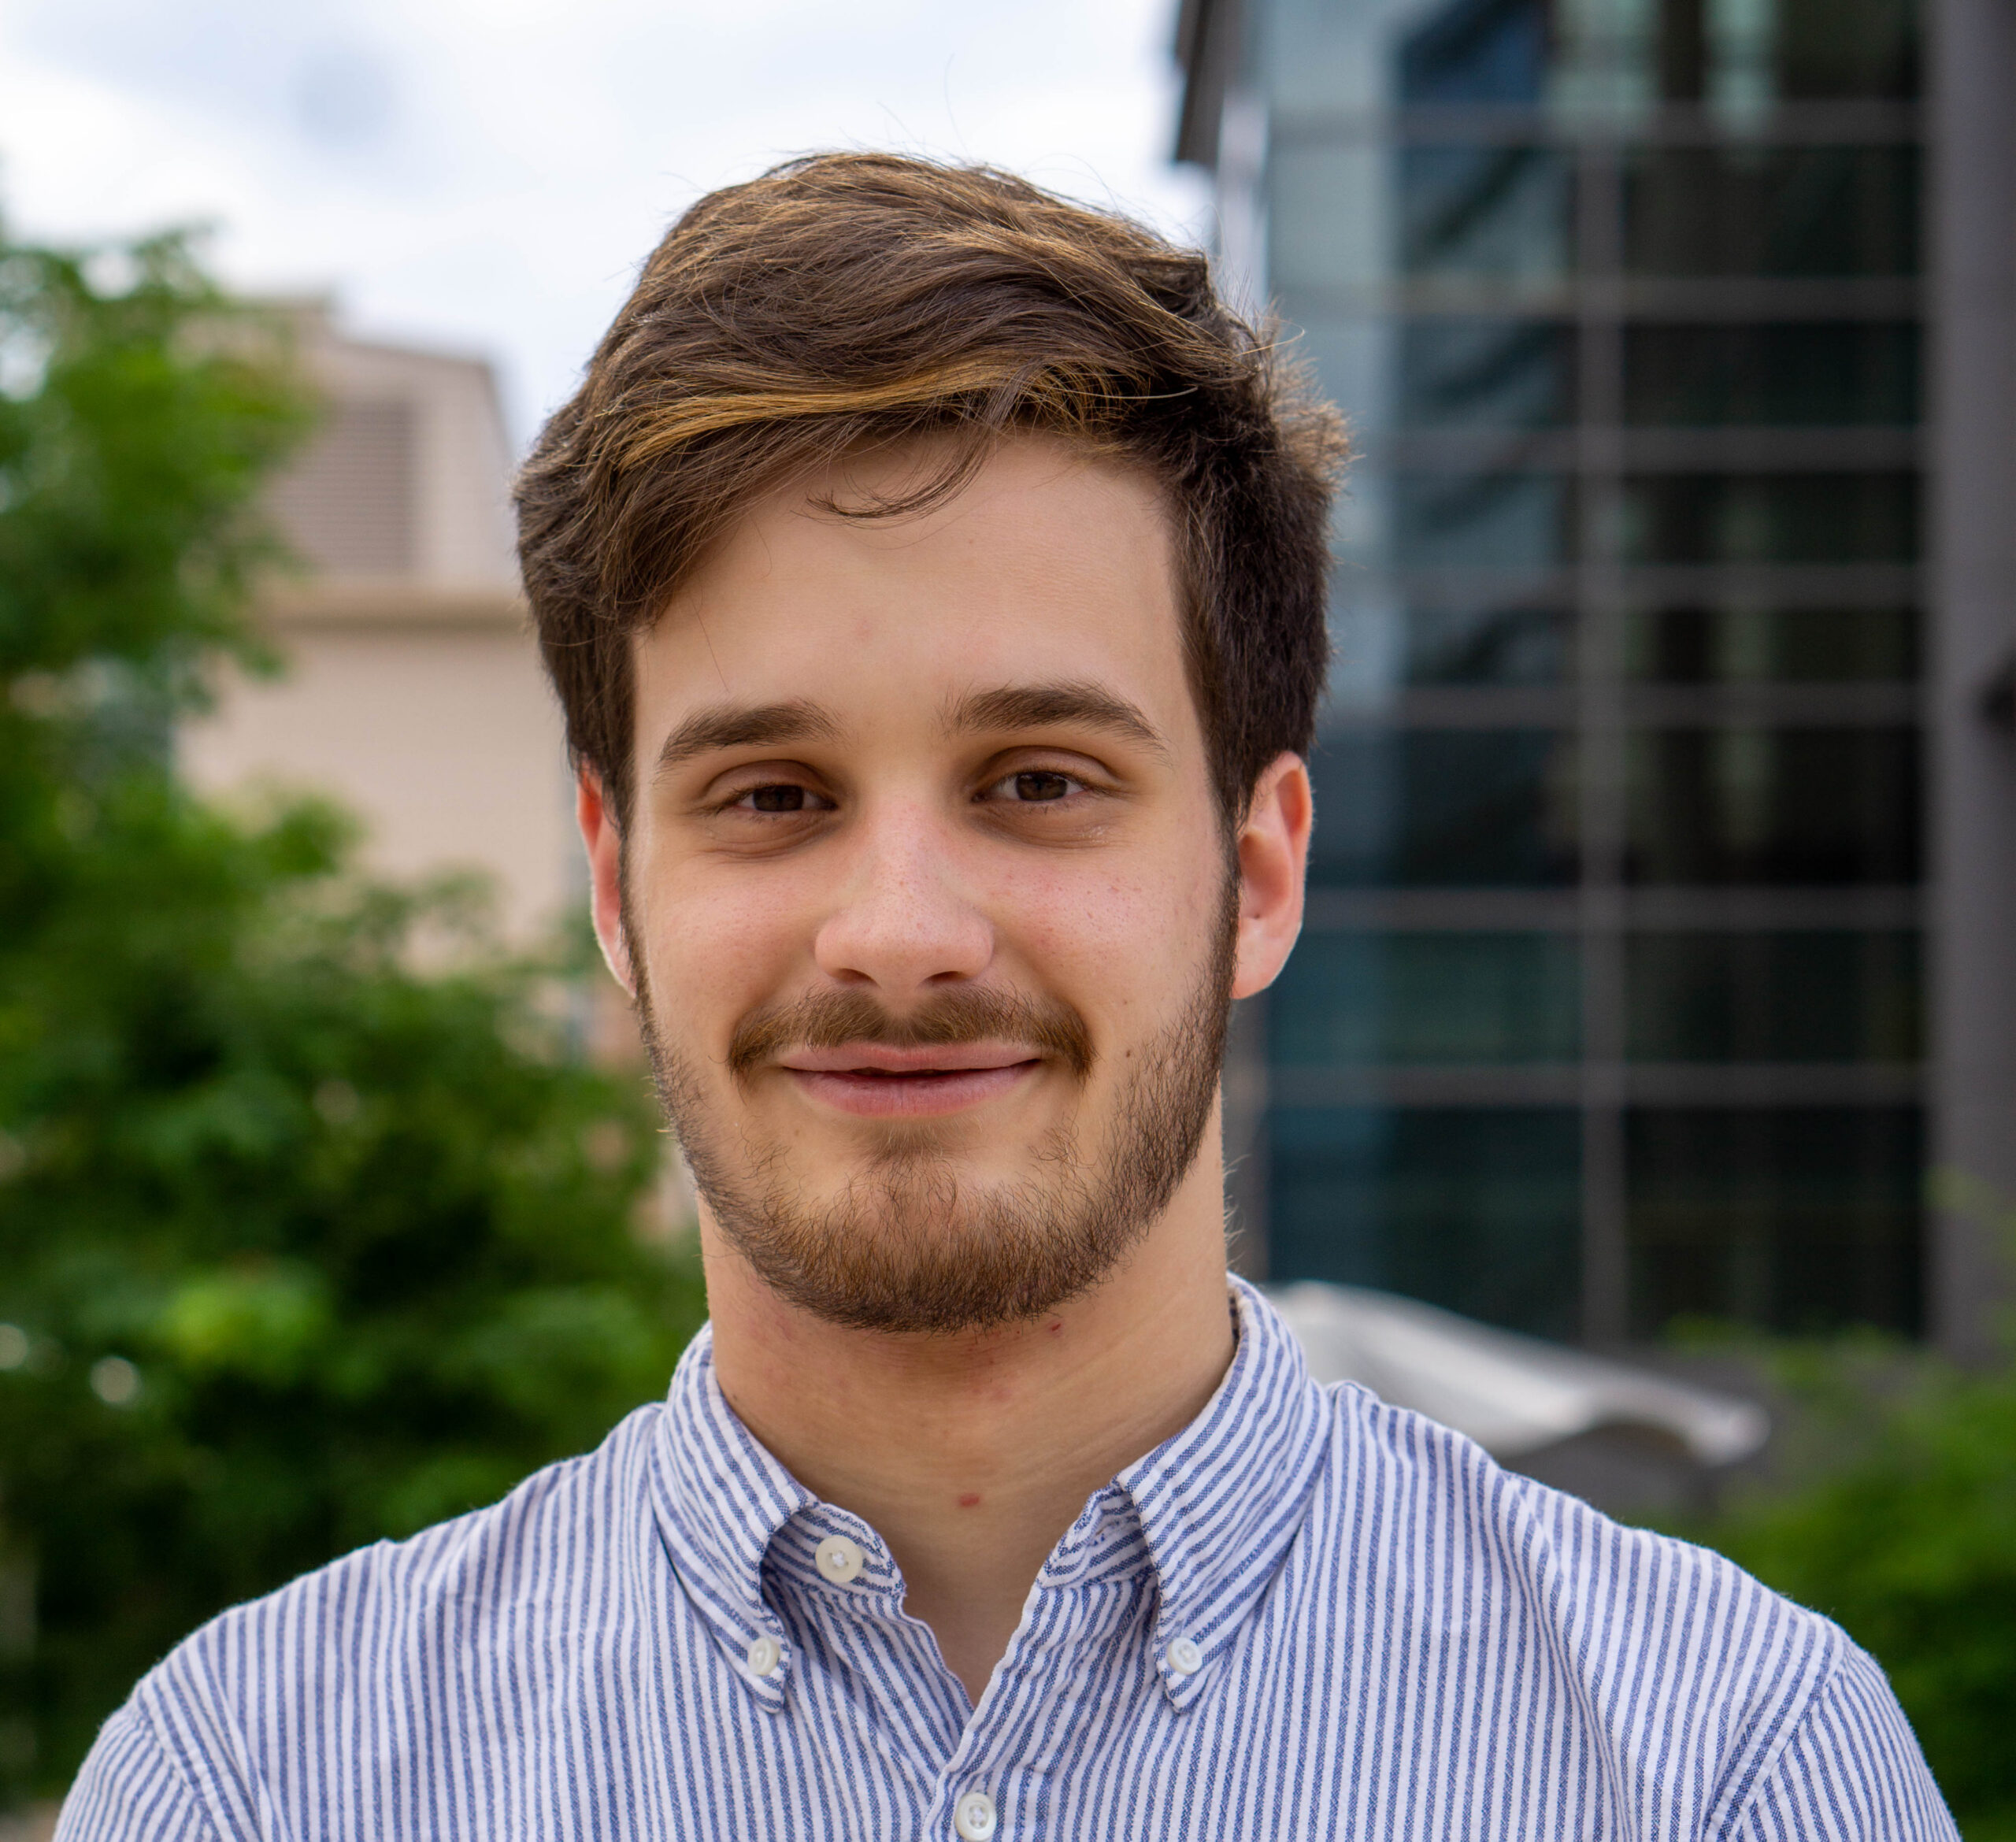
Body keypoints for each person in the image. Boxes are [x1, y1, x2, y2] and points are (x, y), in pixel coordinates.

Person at [60, 153, 1952, 1842]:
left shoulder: (1723, 1768)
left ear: (1256, 873)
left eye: (1037, 780)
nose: (898, 934)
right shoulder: (260, 1781)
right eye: (771, 796)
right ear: (613, 883)